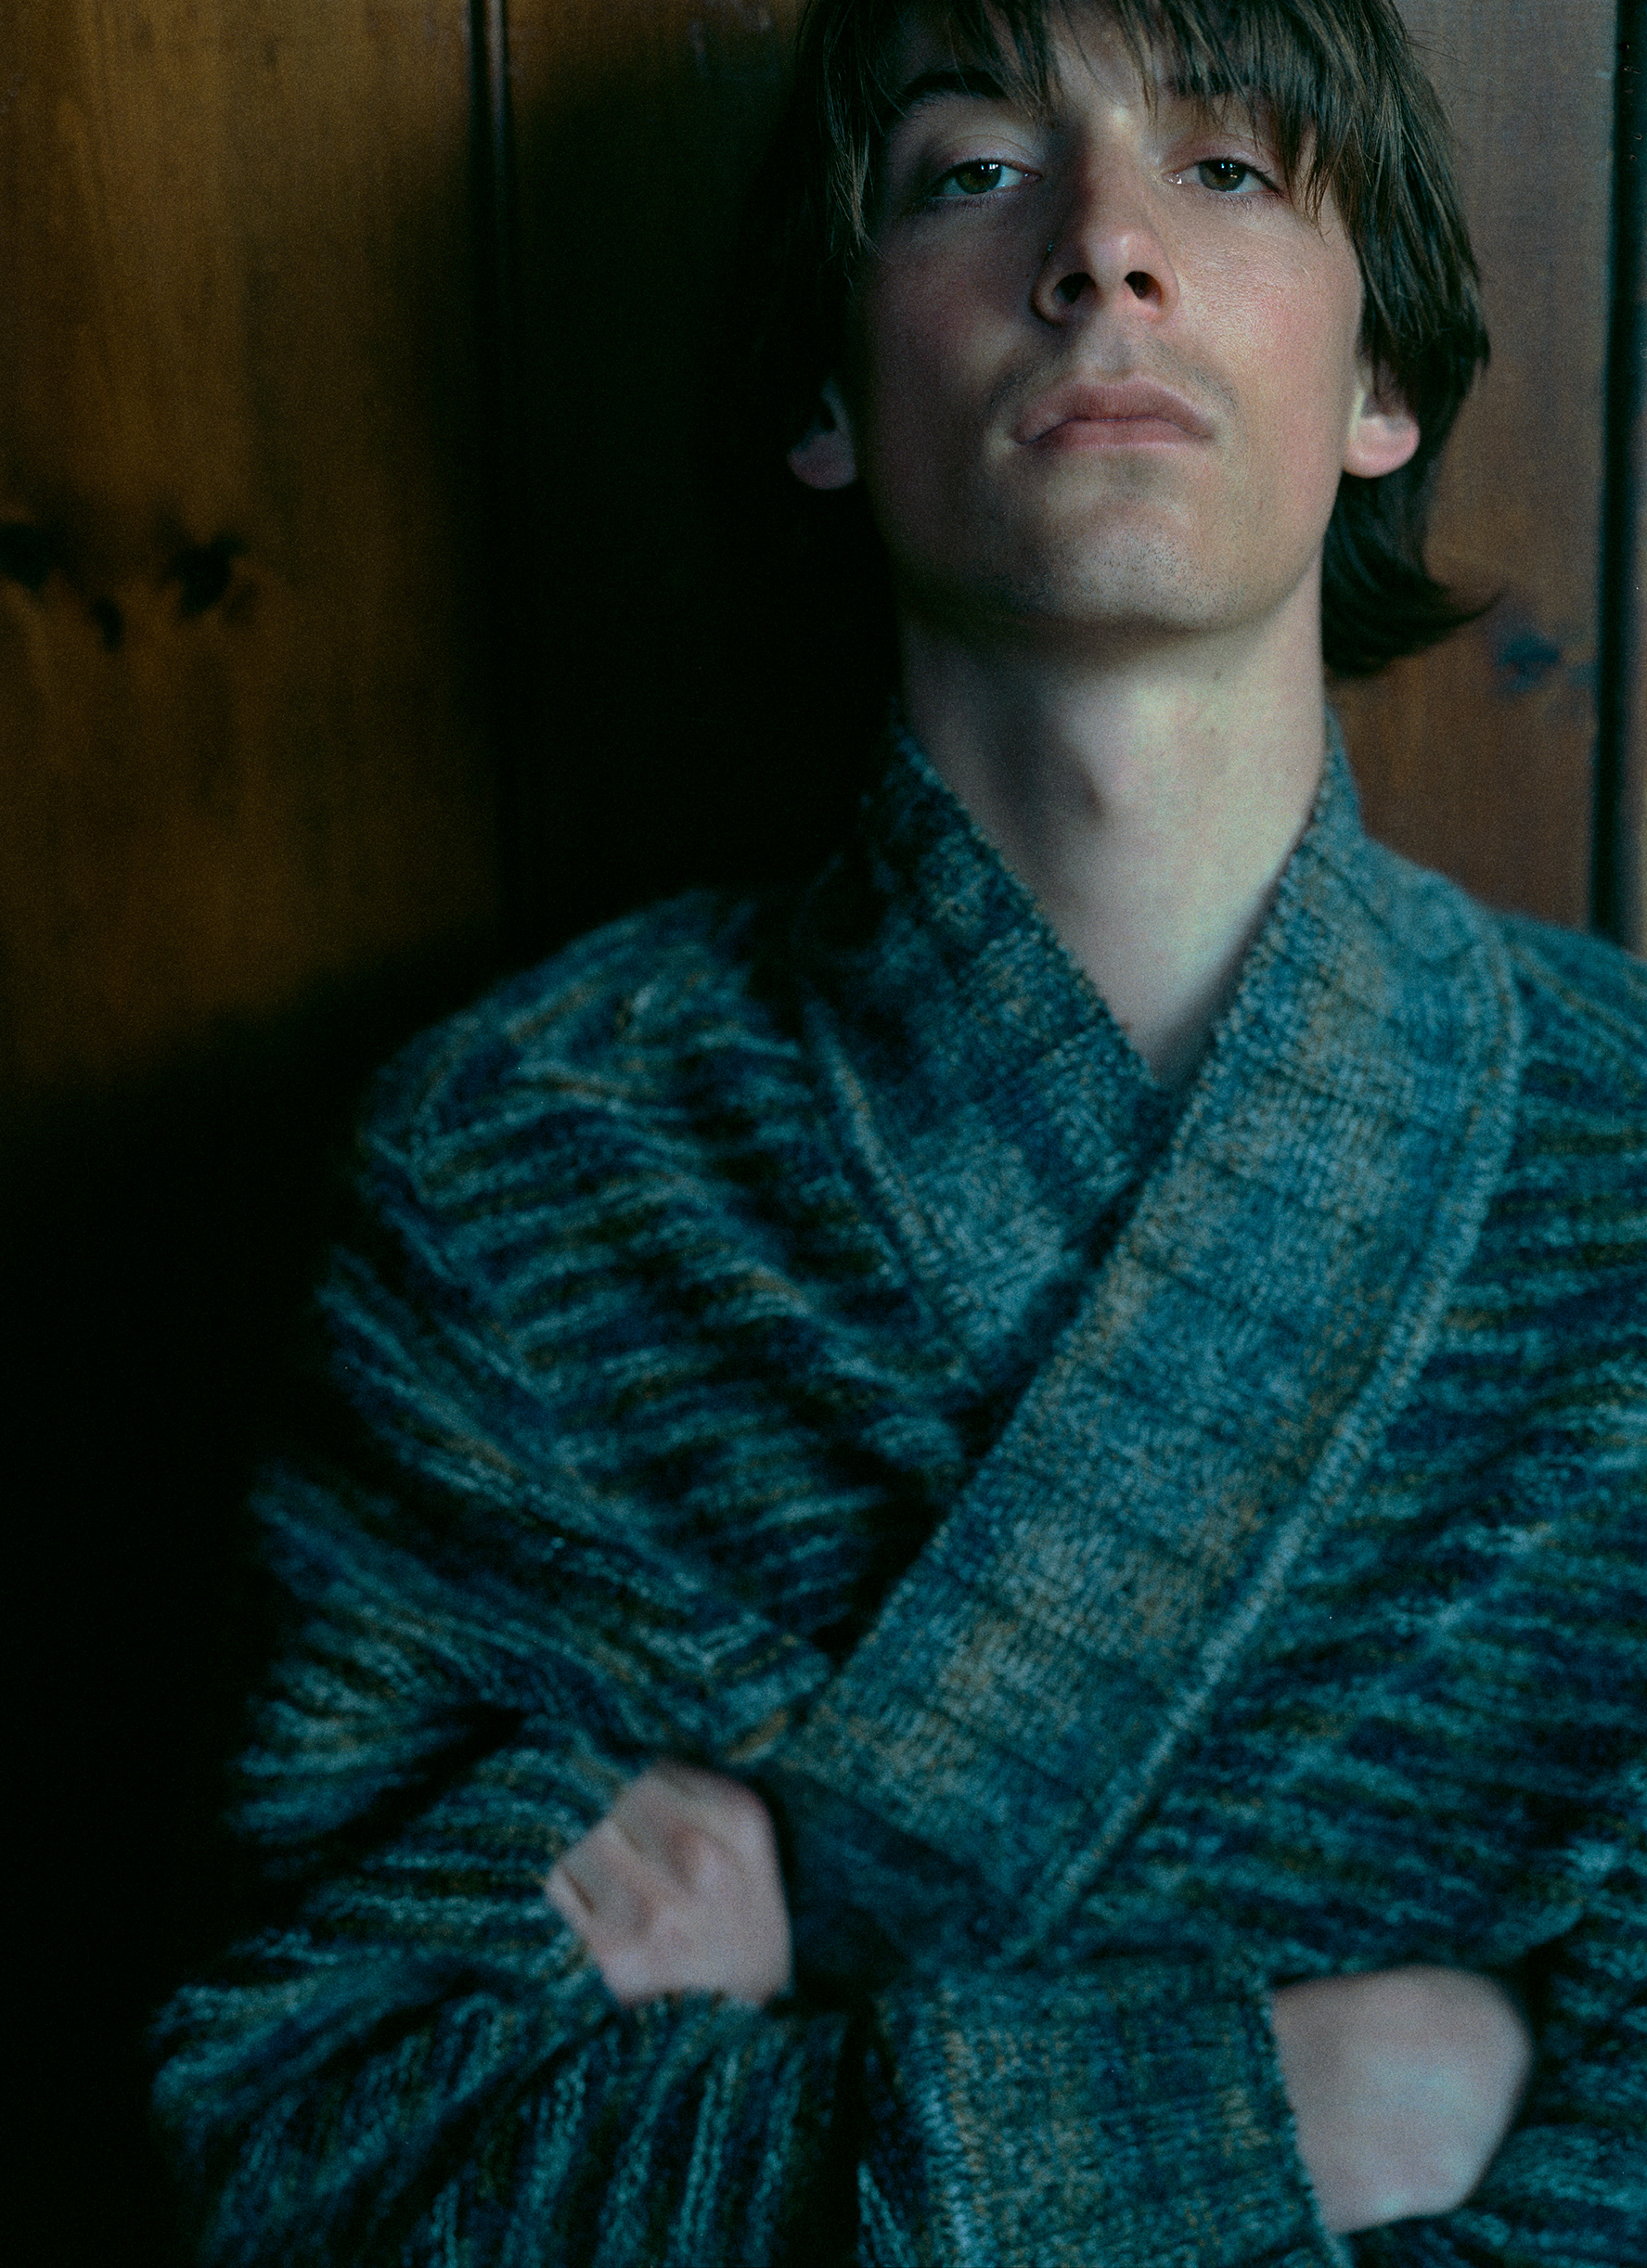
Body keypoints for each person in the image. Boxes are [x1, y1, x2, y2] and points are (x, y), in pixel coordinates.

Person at [151, 0, 1647, 2259]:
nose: (1105, 245)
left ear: (1381, 385)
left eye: (1227, 169)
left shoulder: (1624, 1163)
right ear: (832, 398)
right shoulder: (517, 1176)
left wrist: (821, 1952)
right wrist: (1297, 2099)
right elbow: (338, 2143)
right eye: (973, 171)